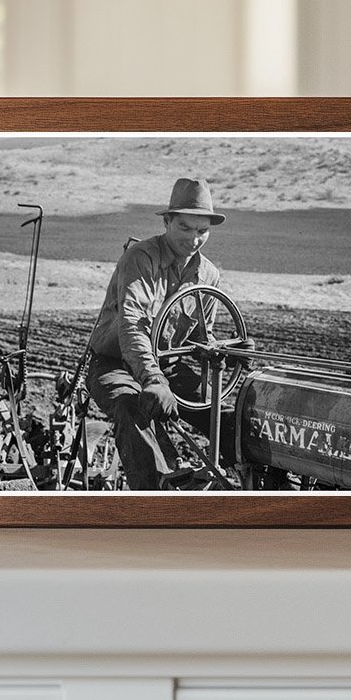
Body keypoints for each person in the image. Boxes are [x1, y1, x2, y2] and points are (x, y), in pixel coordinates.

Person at [86, 177, 238, 490]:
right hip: (115, 365)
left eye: (202, 231)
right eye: (185, 228)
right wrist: (154, 380)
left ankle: (255, 482)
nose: (194, 239)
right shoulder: (141, 259)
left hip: (169, 366)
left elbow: (200, 338)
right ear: (167, 222)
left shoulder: (208, 275)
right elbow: (133, 324)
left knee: (225, 418)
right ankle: (159, 495)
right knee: (132, 406)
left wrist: (226, 351)